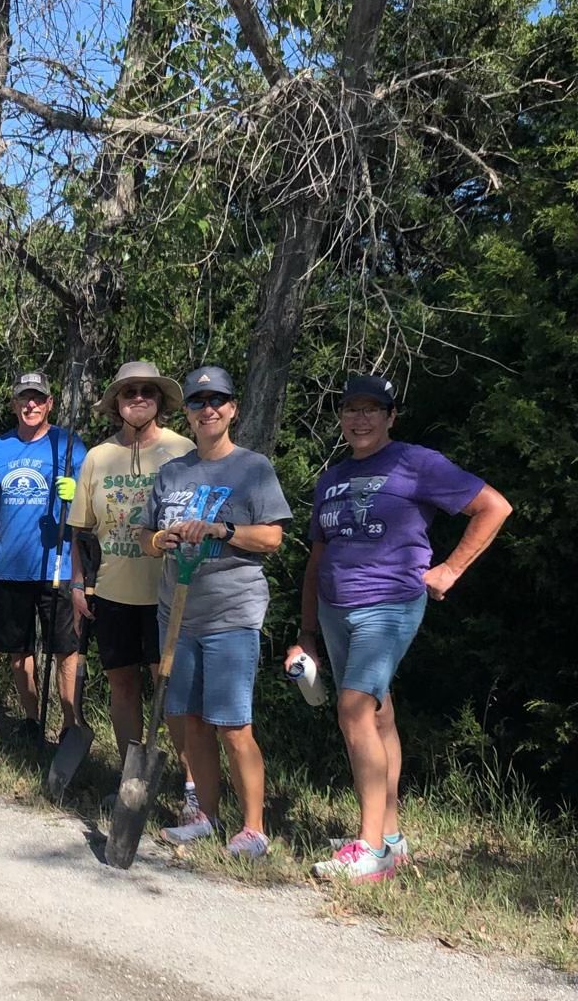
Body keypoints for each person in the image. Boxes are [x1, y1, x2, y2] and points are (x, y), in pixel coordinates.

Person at [286, 375, 512, 881]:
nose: (360, 418)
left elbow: (493, 506)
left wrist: (451, 568)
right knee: (378, 714)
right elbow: (318, 554)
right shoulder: (332, 478)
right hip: (333, 607)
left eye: (372, 409)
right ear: (341, 417)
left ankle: (369, 851)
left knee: (353, 709)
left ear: (390, 417)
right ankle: (389, 837)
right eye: (351, 409)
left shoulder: (415, 461)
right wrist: (306, 630)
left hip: (389, 604)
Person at [140, 364, 291, 859]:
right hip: (178, 614)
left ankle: (253, 829)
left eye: (217, 401)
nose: (208, 410)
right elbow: (146, 538)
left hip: (232, 612)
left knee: (233, 724)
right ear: (186, 411)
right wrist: (164, 538)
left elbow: (272, 537)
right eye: (198, 402)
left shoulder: (253, 468)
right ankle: (205, 814)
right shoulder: (173, 472)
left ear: (233, 409)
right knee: (189, 720)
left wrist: (222, 530)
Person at [68, 362, 196, 806]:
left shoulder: (184, 452)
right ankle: (131, 783)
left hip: (170, 594)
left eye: (147, 391)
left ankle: (192, 790)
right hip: (113, 592)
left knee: (175, 694)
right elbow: (82, 530)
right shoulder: (98, 457)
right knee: (123, 686)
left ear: (160, 400)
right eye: (129, 392)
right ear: (117, 404)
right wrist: (78, 586)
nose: (138, 397)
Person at [0, 371, 87, 738]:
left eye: (37, 398)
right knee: (18, 652)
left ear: (49, 403)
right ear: (15, 403)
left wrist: (76, 493)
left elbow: (95, 504)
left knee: (66, 651)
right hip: (8, 568)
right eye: (23, 398)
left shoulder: (68, 445)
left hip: (58, 565)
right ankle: (33, 721)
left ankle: (70, 726)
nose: (30, 404)